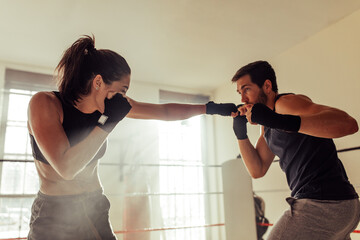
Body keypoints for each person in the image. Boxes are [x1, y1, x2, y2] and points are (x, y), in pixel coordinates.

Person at [27, 35, 236, 240]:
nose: (122, 98)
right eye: (121, 90)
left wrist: (209, 108)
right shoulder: (45, 104)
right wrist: (107, 123)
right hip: (55, 214)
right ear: (98, 82)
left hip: (94, 206)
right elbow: (66, 168)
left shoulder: (106, 108)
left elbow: (163, 112)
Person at [231, 60, 360, 239]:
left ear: (267, 86)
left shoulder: (286, 104)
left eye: (246, 89)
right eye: (240, 93)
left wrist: (280, 121)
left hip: (324, 203)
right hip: (339, 205)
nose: (243, 99)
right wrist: (240, 133)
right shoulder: (267, 127)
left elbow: (349, 124)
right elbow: (257, 169)